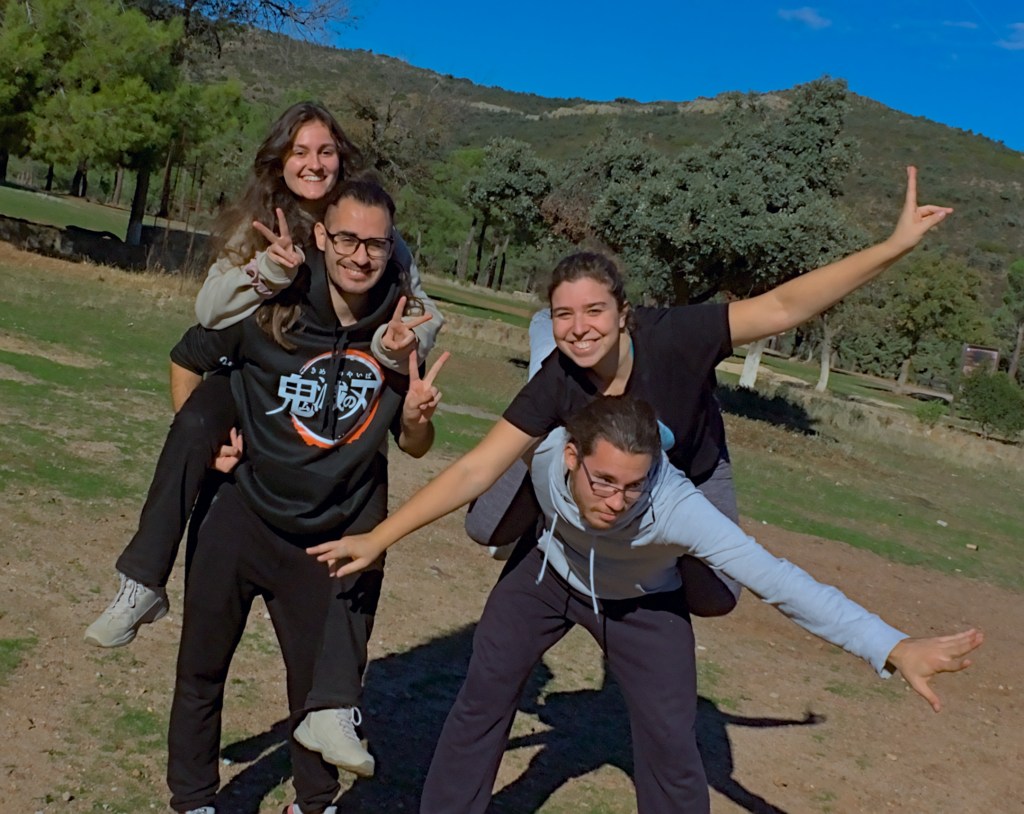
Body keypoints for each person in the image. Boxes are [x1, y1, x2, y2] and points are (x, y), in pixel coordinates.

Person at [308, 166, 952, 584]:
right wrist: (379, 538)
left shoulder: (678, 335)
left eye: (595, 312)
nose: (581, 328)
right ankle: (553, 503)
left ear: (624, 314)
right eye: (564, 315)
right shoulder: (558, 375)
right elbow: (474, 469)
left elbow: (784, 306)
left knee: (717, 591)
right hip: (582, 445)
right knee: (484, 525)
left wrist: (893, 246)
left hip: (688, 459)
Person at [415, 395, 982, 814]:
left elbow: (780, 581)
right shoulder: (542, 452)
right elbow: (472, 466)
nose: (616, 501)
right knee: (481, 701)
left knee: (671, 744)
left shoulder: (677, 507)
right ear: (570, 455)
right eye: (603, 481)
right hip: (545, 577)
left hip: (642, 605)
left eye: (633, 486)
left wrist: (890, 645)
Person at [85, 100, 442, 648]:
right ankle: (142, 581)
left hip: (317, 388)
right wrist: (266, 272)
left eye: (325, 151)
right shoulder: (255, 226)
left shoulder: (374, 231)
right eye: (299, 152)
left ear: (342, 159)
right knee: (194, 421)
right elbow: (209, 312)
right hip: (247, 376)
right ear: (280, 162)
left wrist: (394, 345)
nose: (313, 163)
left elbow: (424, 311)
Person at [166, 179, 448, 814]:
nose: (360, 256)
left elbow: (414, 444)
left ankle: (313, 804)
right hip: (239, 513)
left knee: (317, 694)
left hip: (324, 537)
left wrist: (417, 417)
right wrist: (201, 436)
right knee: (201, 670)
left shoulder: (399, 331)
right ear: (321, 236)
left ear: (393, 249)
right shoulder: (277, 307)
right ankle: (194, 800)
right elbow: (187, 355)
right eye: (346, 239)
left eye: (375, 244)